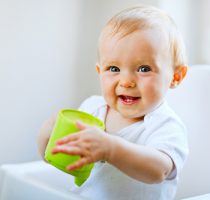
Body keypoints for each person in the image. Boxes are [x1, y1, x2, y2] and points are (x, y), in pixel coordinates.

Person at [37, 5, 189, 200]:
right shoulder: (92, 109)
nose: (126, 81)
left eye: (143, 69)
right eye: (114, 68)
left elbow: (159, 170)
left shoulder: (165, 125)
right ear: (100, 72)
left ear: (175, 76)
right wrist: (49, 133)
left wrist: (111, 149)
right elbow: (54, 159)